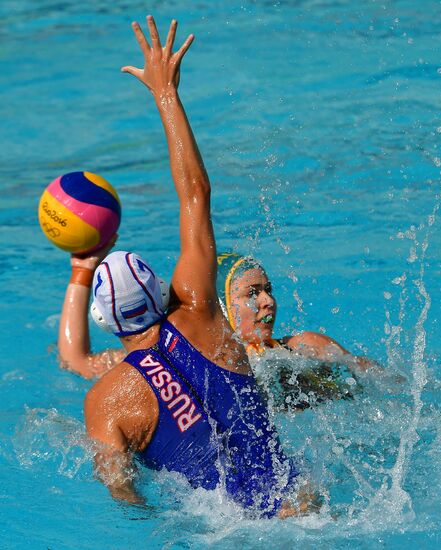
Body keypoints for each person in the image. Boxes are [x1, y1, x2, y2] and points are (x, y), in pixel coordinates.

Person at [78, 15, 318, 518]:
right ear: (163, 291)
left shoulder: (106, 400)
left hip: (228, 531)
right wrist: (165, 92)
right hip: (302, 507)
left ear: (103, 322)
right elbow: (195, 196)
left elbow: (123, 495)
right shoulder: (202, 312)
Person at [216, 252, 380, 409]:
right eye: (252, 293)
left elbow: (377, 378)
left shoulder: (301, 347)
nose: (268, 300)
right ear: (221, 307)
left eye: (268, 290)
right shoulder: (212, 376)